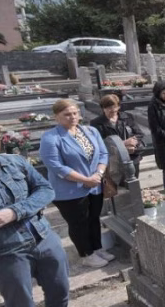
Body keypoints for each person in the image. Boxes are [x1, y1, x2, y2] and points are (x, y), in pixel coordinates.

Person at [0, 127, 88, 307]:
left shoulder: (14, 162)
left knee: (59, 288)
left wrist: (15, 211)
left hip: (43, 237)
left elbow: (46, 189)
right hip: (6, 251)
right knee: (21, 304)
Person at [40, 99, 111, 268]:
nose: (72, 117)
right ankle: (86, 254)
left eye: (75, 113)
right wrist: (85, 180)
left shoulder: (90, 131)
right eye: (66, 114)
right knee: (79, 223)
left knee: (93, 218)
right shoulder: (51, 138)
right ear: (57, 117)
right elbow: (56, 166)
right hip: (69, 191)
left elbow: (103, 153)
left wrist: (98, 174)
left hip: (95, 186)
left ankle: (97, 248)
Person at [91, 93, 145, 176]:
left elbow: (139, 133)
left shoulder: (126, 117)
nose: (112, 109)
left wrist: (134, 142)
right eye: (109, 107)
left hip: (132, 157)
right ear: (103, 108)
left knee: (134, 182)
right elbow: (99, 144)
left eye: (114, 106)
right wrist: (123, 144)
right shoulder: (96, 123)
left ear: (118, 106)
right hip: (113, 161)